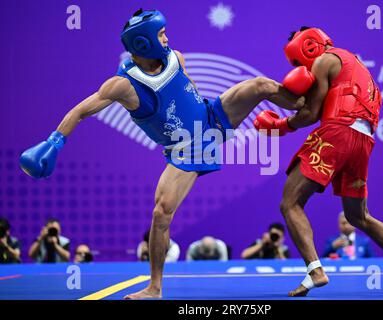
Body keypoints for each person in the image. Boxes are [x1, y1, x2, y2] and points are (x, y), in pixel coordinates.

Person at [19, 9, 309, 298]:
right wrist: (54, 142)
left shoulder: (176, 58)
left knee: (259, 86)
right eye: (160, 34)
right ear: (143, 43)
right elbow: (81, 111)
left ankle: (306, 104)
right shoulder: (123, 85)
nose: (167, 38)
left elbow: (189, 91)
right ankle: (155, 288)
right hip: (185, 149)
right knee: (161, 214)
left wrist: (214, 114)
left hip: (212, 119)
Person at [255, 27, 383, 296]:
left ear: (308, 46)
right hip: (363, 142)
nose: (302, 66)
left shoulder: (324, 60)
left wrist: (280, 125)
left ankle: (315, 271)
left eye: (298, 60)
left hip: (337, 133)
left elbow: (311, 113)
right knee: (359, 216)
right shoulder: (356, 65)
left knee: (290, 203)